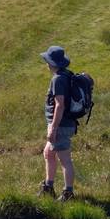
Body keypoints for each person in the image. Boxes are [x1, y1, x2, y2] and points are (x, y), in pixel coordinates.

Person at [39, 44, 78, 201]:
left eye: (48, 61)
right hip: (66, 123)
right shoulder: (67, 75)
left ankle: (68, 193)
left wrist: (53, 129)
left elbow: (59, 105)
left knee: (64, 159)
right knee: (48, 153)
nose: (47, 64)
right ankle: (48, 186)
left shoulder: (58, 80)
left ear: (52, 63)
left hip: (60, 125)